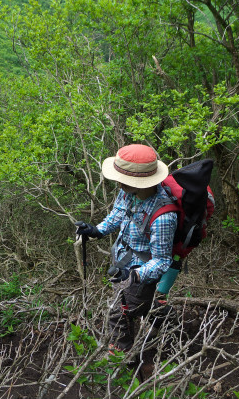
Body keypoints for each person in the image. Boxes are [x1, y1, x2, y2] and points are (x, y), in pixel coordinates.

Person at [75, 144, 177, 353]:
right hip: (122, 259)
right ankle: (163, 315)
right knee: (132, 305)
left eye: (125, 180)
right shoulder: (127, 193)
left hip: (140, 272)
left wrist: (134, 276)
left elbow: (162, 261)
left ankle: (122, 356)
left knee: (118, 312)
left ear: (141, 181)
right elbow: (117, 216)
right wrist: (97, 230)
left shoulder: (164, 216)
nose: (119, 183)